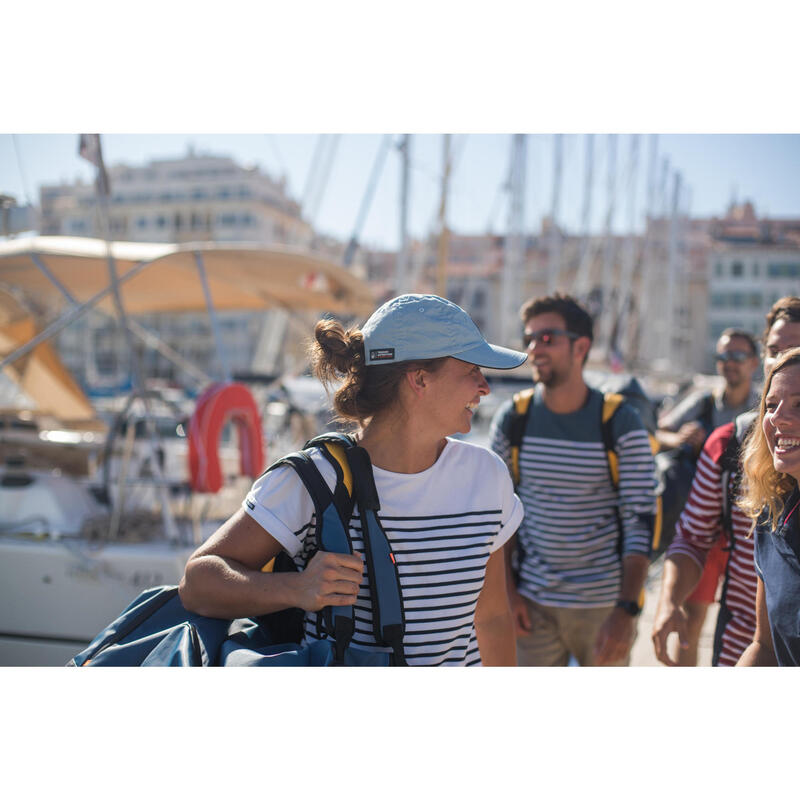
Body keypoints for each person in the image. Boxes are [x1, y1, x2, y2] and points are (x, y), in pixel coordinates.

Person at [178, 293, 527, 666]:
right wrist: (298, 588)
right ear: (420, 379)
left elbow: (491, 619)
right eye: (471, 370)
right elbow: (198, 584)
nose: (484, 386)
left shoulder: (487, 476)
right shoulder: (315, 479)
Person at [489, 293, 658, 666]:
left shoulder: (619, 422)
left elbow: (640, 520)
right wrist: (508, 594)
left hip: (602, 608)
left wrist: (627, 611)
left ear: (581, 346)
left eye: (547, 338)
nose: (534, 349)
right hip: (531, 606)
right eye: (529, 338)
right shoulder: (513, 418)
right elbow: (496, 517)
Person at [652, 296, 800, 666]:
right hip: (744, 651)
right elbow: (692, 536)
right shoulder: (728, 446)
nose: (783, 359)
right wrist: (668, 602)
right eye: (775, 349)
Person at [653, 328, 761, 665]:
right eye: (723, 357)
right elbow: (660, 431)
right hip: (707, 523)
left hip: (748, 527)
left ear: (754, 363)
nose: (729, 364)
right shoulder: (702, 401)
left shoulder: (768, 406)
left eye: (737, 357)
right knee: (692, 616)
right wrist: (682, 438)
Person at [736, 346, 800, 666]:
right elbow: (764, 647)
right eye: (770, 406)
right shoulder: (771, 517)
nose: (777, 418)